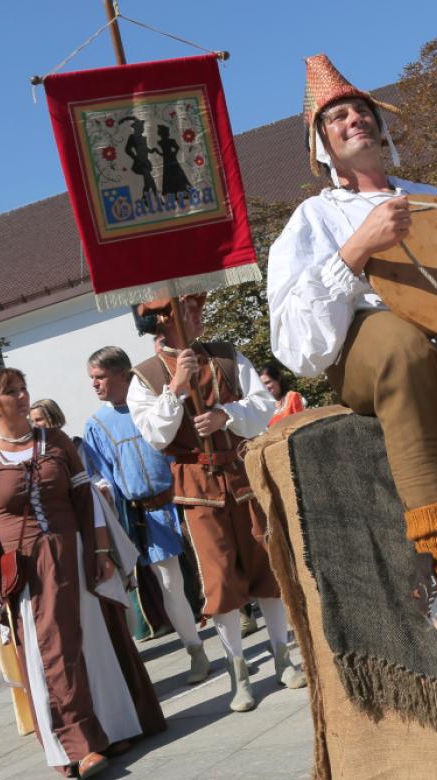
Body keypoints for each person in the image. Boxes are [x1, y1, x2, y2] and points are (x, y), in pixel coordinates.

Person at [265, 54, 437, 646]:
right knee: (403, 348)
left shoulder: (432, 195)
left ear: (380, 128)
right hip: (368, 349)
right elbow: (295, 343)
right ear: (322, 147)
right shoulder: (314, 219)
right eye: (336, 117)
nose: (353, 118)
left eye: (360, 110)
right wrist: (359, 248)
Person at [0, 368, 164, 777]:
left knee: (96, 642)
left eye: (23, 389)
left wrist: (102, 550)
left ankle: (113, 728)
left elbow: (86, 499)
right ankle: (77, 744)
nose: (22, 397)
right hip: (28, 569)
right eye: (11, 392)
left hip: (75, 553)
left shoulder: (54, 442)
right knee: (52, 650)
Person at [127, 295, 307, 712]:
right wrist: (175, 387)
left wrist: (226, 415)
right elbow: (155, 434)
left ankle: (282, 656)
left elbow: (264, 407)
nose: (198, 312)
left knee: (266, 565)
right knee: (220, 579)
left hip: (242, 474)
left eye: (196, 305)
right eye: (187, 308)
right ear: (166, 320)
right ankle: (238, 671)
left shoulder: (228, 356)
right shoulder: (146, 376)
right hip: (196, 484)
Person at [81, 346, 210, 684]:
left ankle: (239, 618)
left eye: (100, 377)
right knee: (171, 583)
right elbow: (101, 473)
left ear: (123, 375)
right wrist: (106, 490)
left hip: (185, 499)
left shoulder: (153, 402)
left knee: (210, 570)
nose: (94, 385)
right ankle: (195, 649)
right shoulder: (96, 425)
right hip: (147, 515)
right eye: (91, 379)